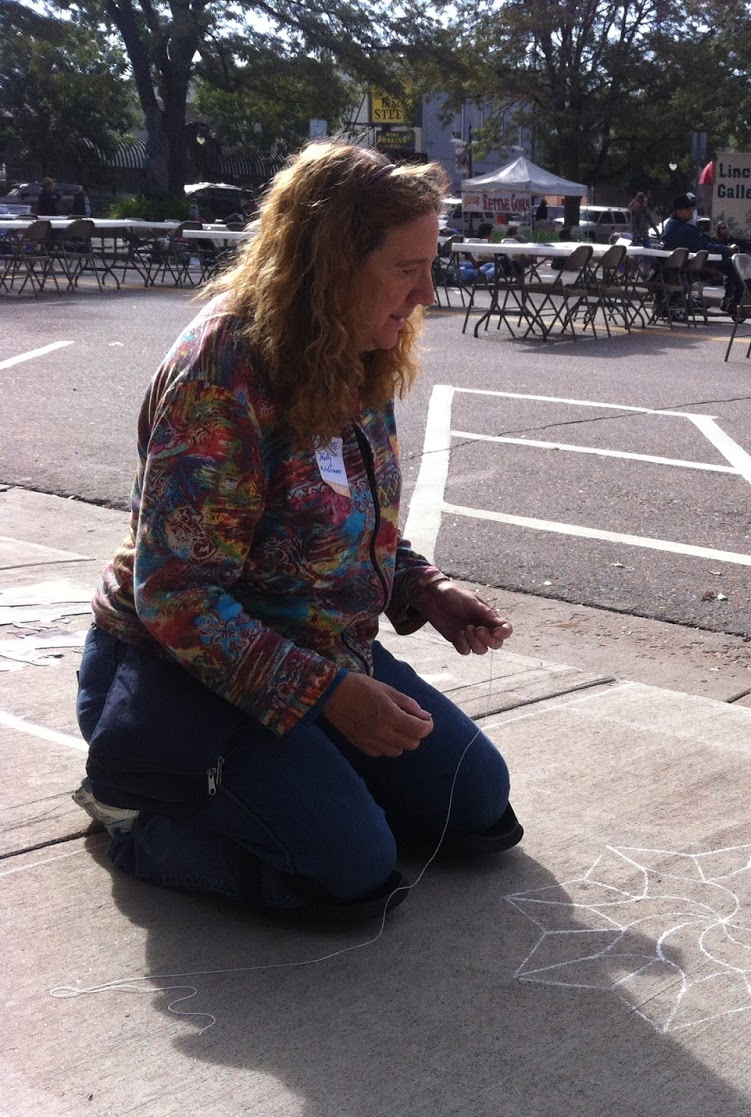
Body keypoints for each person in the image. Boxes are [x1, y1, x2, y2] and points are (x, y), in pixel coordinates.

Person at [71, 142, 521, 921]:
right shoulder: (223, 371)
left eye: (430, 264)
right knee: (352, 870)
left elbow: (344, 523)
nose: (427, 293)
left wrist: (424, 587)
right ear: (330, 263)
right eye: (406, 268)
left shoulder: (352, 351)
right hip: (183, 670)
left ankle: (310, 782)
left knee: (478, 807)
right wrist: (330, 697)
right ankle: (135, 810)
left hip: (319, 646)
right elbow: (176, 597)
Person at [661, 192, 742, 310]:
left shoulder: (674, 225)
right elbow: (704, 246)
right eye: (688, 209)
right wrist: (727, 250)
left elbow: (703, 241)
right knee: (735, 266)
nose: (691, 212)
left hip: (689, 265)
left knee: (730, 265)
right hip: (694, 265)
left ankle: (730, 300)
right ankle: (733, 302)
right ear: (679, 211)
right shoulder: (682, 229)